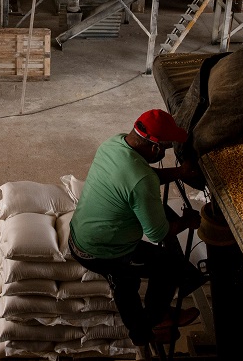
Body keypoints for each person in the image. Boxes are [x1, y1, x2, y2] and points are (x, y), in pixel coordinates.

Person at [68, 109, 206, 360]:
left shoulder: (114, 144)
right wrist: (187, 220)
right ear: (155, 149)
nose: (165, 153)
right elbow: (157, 232)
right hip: (101, 251)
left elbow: (141, 177)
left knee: (130, 279)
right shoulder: (141, 180)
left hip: (81, 234)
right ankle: (155, 324)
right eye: (165, 148)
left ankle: (146, 330)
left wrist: (178, 173)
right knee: (165, 266)